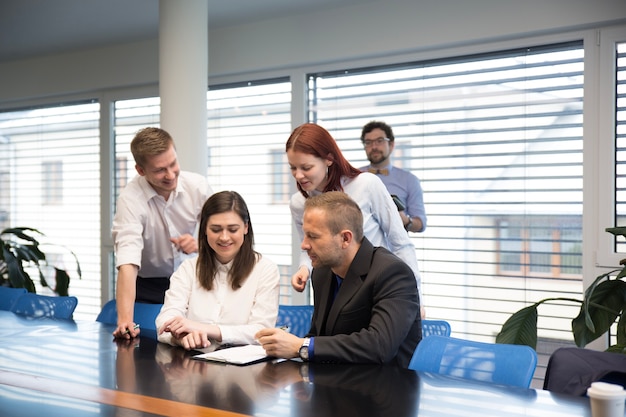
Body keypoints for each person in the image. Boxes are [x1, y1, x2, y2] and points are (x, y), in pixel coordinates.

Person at [256, 191, 422, 367]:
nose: (304, 245)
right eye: (305, 235)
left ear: (345, 238)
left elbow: (379, 345)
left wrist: (300, 346)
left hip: (386, 388)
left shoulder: (392, 272)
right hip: (336, 381)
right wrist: (284, 346)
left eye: (313, 236)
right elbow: (318, 336)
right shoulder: (322, 272)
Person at [286, 122, 421, 296]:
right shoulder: (299, 203)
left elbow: (400, 243)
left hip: (375, 289)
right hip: (332, 292)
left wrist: (415, 297)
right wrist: (304, 268)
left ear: (328, 159)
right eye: (293, 167)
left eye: (306, 167)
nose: (298, 175)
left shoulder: (366, 185)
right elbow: (307, 247)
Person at [112, 127, 213, 339]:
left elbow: (221, 235)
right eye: (159, 170)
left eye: (173, 164)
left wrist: (199, 243)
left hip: (191, 281)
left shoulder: (198, 187)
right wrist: (124, 322)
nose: (170, 175)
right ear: (141, 170)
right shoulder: (130, 200)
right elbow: (128, 262)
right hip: (148, 286)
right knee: (149, 348)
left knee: (198, 342)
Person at [156, 190, 280, 350]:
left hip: (243, 371)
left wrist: (205, 329)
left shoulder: (265, 270)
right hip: (193, 365)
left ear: (246, 228)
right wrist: (182, 337)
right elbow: (165, 320)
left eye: (233, 229)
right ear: (205, 230)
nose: (224, 237)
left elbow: (260, 331)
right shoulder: (188, 269)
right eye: (215, 229)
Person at [360, 120, 426, 234]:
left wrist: (405, 221)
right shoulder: (353, 177)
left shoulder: (410, 180)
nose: (374, 146)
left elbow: (421, 224)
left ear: (391, 145)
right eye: (368, 142)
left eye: (379, 141)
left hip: (394, 250)